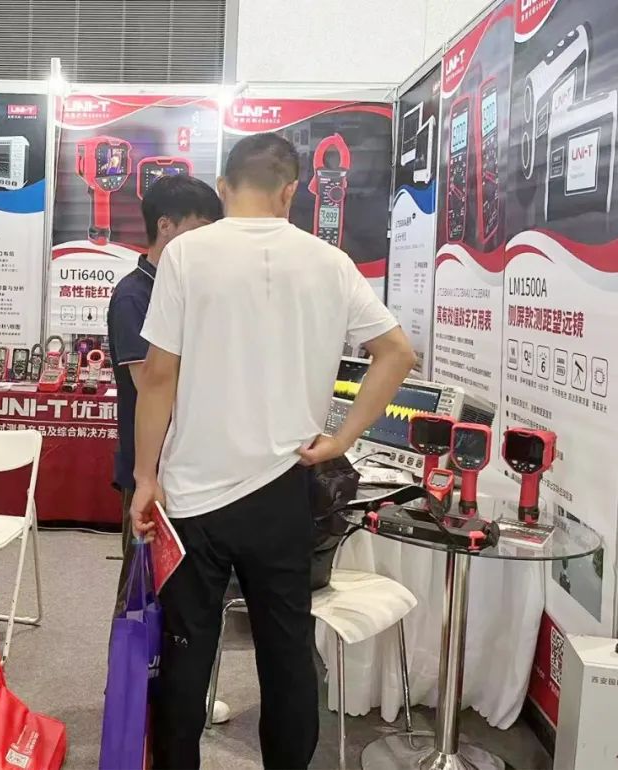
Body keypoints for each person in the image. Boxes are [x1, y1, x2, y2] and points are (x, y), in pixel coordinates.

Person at [130, 133, 416, 769]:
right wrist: (343, 439)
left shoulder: (187, 255)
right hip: (284, 488)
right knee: (286, 651)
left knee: (186, 649)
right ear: (291, 191)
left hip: (193, 494)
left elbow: (158, 375)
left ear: (224, 187)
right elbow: (397, 353)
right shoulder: (330, 262)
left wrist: (145, 476)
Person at [107, 174, 222, 613]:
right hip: (151, 467)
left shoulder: (190, 290)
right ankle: (129, 662)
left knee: (184, 592)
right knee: (143, 589)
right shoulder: (133, 296)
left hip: (190, 463)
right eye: (198, 231)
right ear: (165, 226)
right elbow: (152, 386)